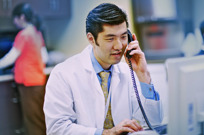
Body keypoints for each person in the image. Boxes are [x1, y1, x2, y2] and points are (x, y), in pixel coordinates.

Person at [44, 3, 163, 135]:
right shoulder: (63, 74)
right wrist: (105, 133)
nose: (119, 46)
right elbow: (57, 129)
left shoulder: (128, 72)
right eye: (110, 38)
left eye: (123, 37)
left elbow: (151, 124)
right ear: (91, 39)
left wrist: (143, 75)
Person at [0, 3, 48, 135]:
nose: (14, 22)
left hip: (28, 84)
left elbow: (10, 58)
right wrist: (22, 65)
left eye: (14, 18)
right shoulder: (37, 32)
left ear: (21, 17)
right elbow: (44, 58)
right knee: (38, 118)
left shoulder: (23, 34)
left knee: (31, 121)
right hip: (38, 82)